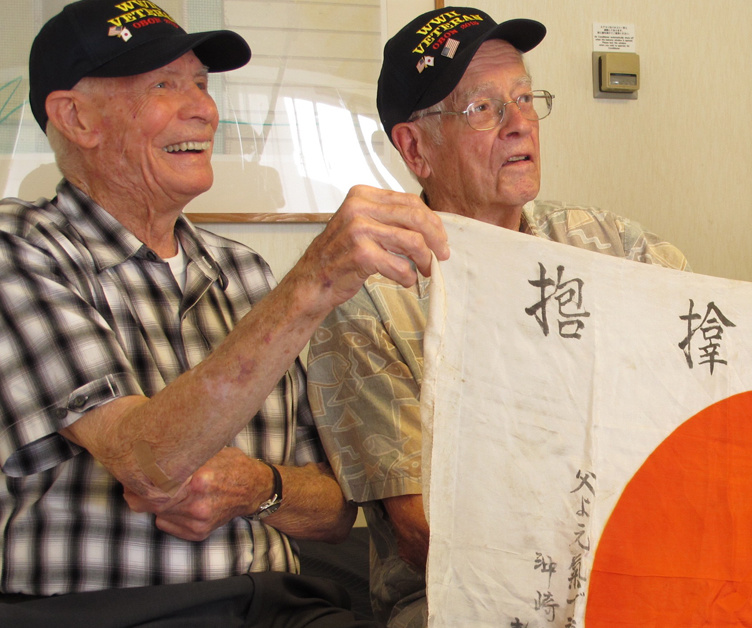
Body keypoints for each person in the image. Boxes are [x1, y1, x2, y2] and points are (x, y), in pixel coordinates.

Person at [0, 1, 448, 625]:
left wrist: (259, 489)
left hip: (277, 605)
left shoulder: (245, 272)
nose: (203, 109)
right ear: (75, 117)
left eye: (201, 84)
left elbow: (332, 509)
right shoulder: (21, 249)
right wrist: (313, 281)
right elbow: (145, 462)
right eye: (163, 85)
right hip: (105, 609)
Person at [305, 7, 689, 627]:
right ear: (414, 147)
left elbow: (713, 361)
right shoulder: (367, 293)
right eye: (483, 109)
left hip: (639, 571)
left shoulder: (608, 245)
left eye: (525, 98)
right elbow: (420, 529)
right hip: (458, 600)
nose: (520, 126)